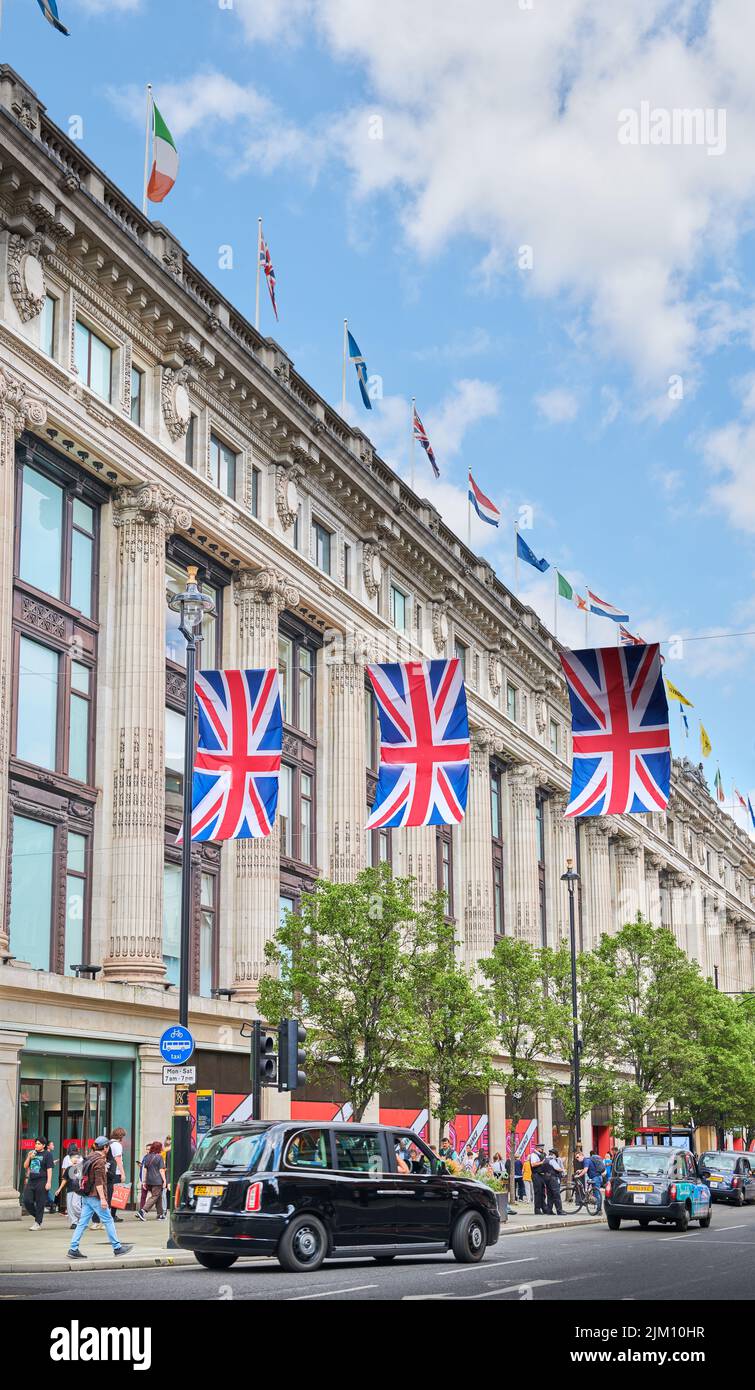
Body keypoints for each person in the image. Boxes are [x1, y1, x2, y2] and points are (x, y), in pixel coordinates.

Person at [67, 1136, 133, 1260]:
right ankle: (117, 1248)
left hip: (86, 1195)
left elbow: (75, 1173)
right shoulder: (100, 1161)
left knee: (82, 1223)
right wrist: (103, 1199)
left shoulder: (89, 1156)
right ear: (106, 1147)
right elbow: (99, 1182)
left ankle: (73, 1248)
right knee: (108, 1220)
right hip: (95, 1196)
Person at [23, 1136, 53, 1230]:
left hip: (42, 1180)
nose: (36, 1145)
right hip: (32, 1180)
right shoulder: (32, 1153)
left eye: (39, 1143)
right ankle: (38, 1216)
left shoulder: (47, 1154)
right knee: (27, 1201)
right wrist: (29, 1157)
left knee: (40, 1202)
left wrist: (48, 1182)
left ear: (43, 1145)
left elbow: (49, 1169)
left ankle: (37, 1223)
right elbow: (25, 1166)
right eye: (36, 1143)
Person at [135, 1142, 166, 1219]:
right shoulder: (159, 1157)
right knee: (155, 1196)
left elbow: (145, 1170)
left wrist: (144, 1181)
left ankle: (160, 1214)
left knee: (158, 1196)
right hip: (157, 1180)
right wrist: (164, 1180)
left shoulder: (147, 1157)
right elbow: (161, 1170)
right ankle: (142, 1211)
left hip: (149, 1180)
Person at [107, 1127, 127, 1222]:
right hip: (116, 1172)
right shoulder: (117, 1145)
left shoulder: (108, 1143)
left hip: (109, 1171)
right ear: (120, 1136)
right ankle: (112, 1215)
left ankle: (108, 1214)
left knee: (109, 1193)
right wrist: (123, 1173)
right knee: (116, 1195)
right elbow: (118, 1159)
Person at [62, 1146, 83, 1230]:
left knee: (75, 1204)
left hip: (78, 1186)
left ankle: (83, 1216)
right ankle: (74, 1222)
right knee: (69, 1205)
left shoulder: (81, 1159)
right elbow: (64, 1170)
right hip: (70, 1184)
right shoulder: (66, 1158)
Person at [543, 1149, 565, 1215]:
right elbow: (557, 1168)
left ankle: (549, 1211)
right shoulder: (552, 1160)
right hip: (553, 1178)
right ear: (554, 1154)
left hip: (546, 1178)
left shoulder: (545, 1160)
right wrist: (563, 1170)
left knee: (549, 1195)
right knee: (556, 1195)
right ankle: (559, 1211)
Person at [530, 1143, 549, 1214]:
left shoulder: (543, 1155)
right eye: (541, 1149)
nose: (542, 1150)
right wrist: (542, 1162)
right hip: (536, 1174)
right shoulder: (533, 1155)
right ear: (537, 1148)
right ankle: (537, 1209)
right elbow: (533, 1164)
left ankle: (544, 1207)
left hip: (542, 1175)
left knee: (543, 1192)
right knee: (537, 1192)